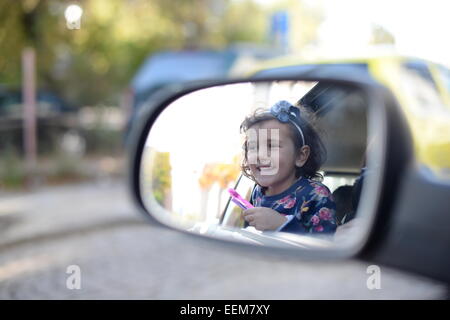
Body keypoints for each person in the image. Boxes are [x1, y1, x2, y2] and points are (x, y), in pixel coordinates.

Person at [239, 100, 337, 235]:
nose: (260, 156)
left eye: (272, 146)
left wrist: (281, 224)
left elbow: (325, 247)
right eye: (253, 147)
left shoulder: (316, 195)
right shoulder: (258, 191)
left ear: (301, 156)